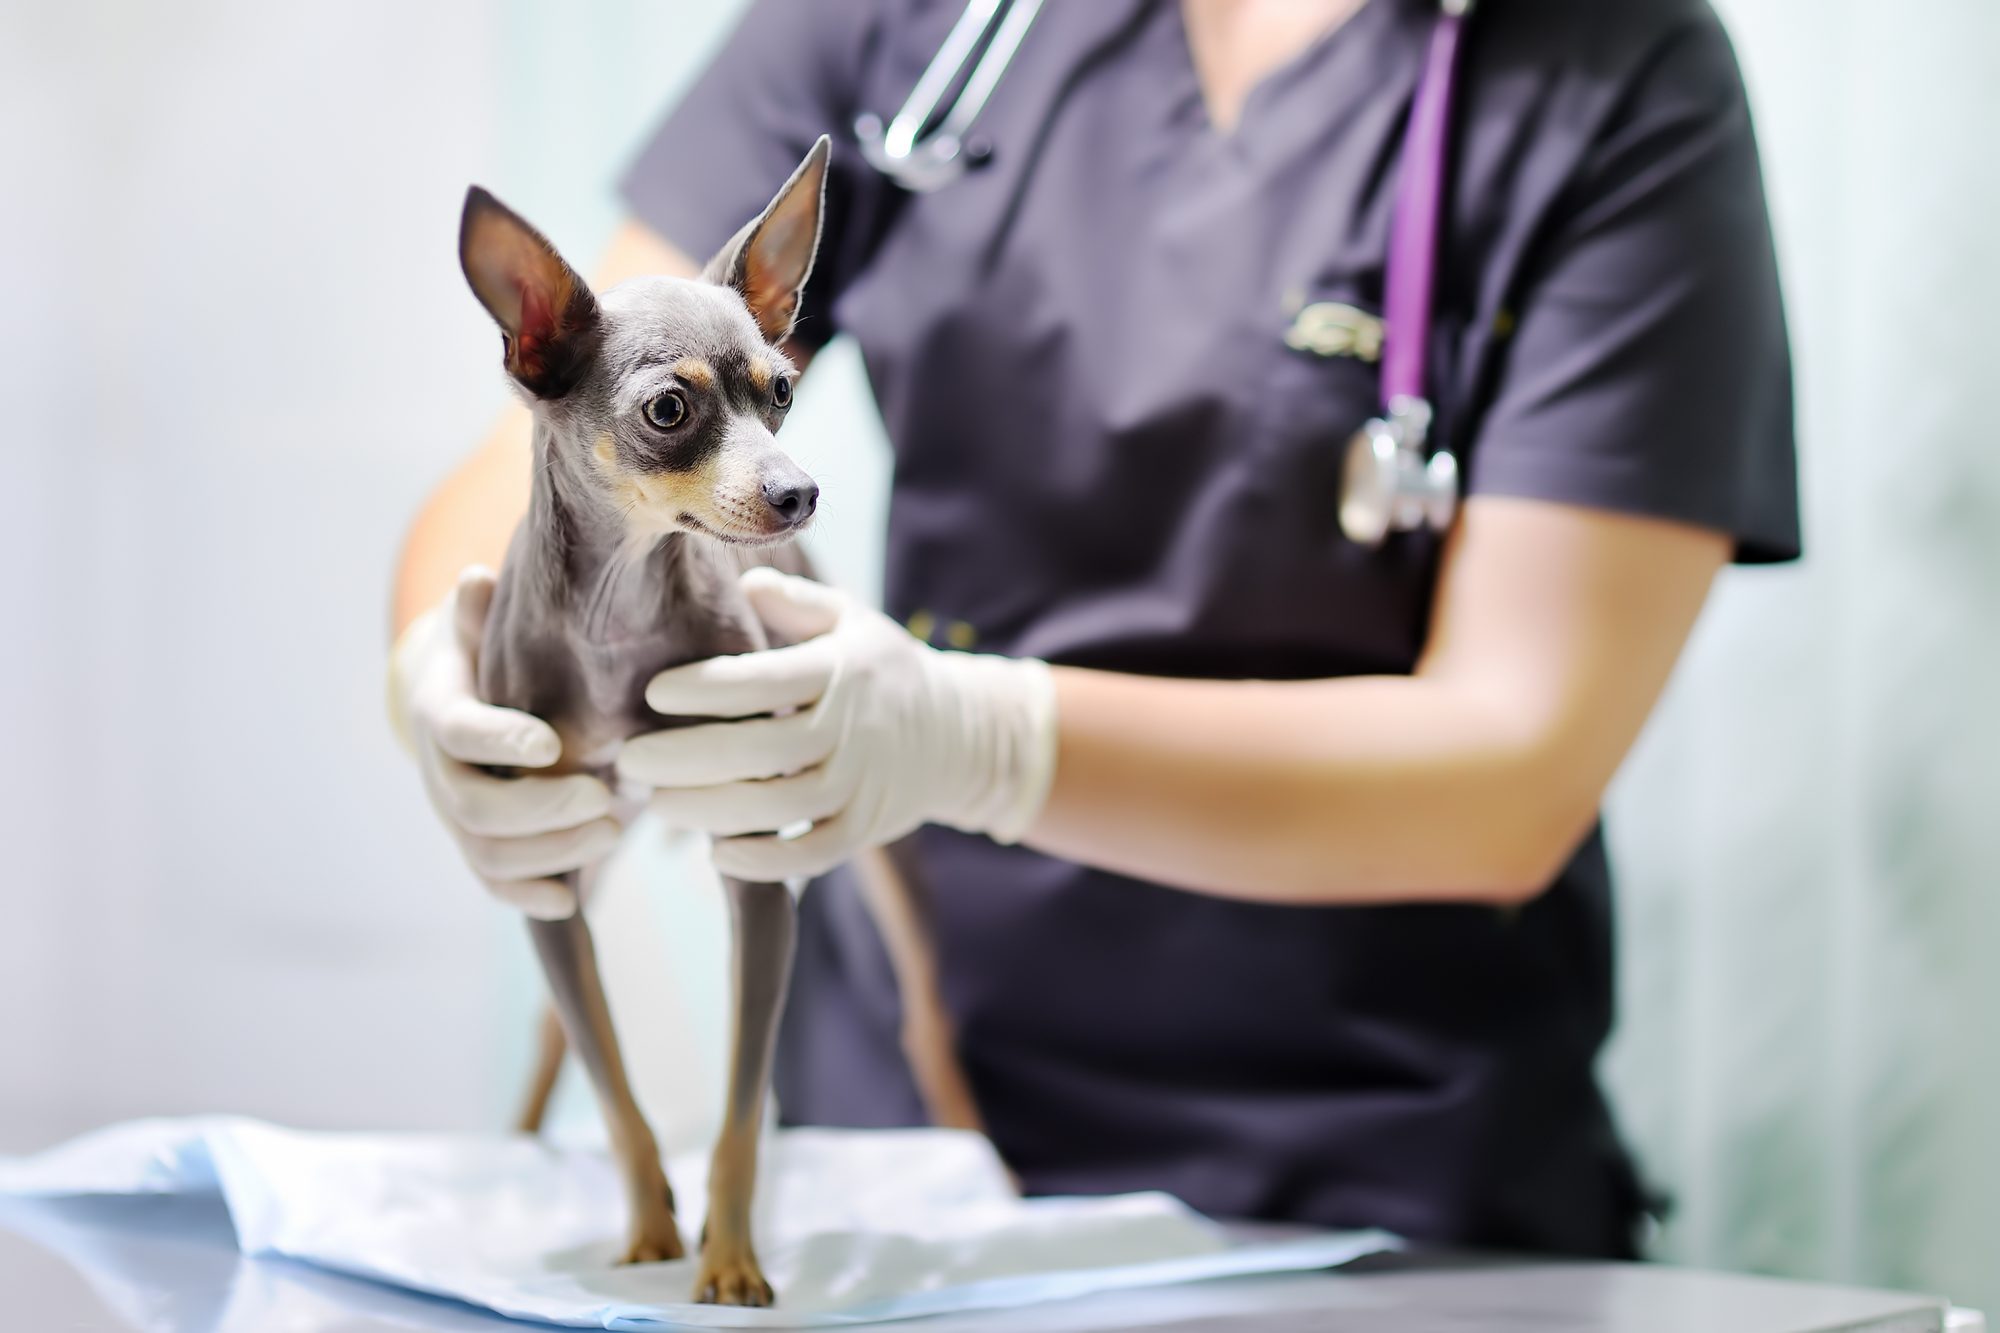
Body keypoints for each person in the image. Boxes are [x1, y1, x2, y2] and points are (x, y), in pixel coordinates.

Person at [390, 0, 1796, 1259]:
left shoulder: (1614, 75)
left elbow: (1516, 762)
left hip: (1377, 1175)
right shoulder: (907, 21)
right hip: (909, 1151)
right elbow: (566, 422)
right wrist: (454, 685)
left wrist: (983, 740)